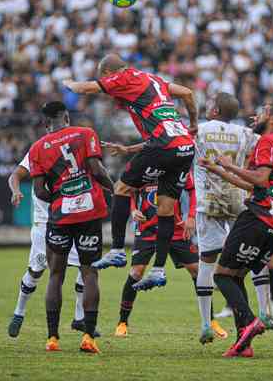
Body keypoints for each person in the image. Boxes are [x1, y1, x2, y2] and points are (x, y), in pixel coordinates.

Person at [63, 54, 198, 291]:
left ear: (108, 73)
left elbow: (84, 89)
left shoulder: (124, 77)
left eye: (103, 77)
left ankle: (116, 250)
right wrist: (194, 122)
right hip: (185, 146)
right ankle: (158, 270)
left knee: (122, 188)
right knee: (166, 209)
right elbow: (187, 93)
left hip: (162, 144)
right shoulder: (153, 79)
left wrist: (68, 83)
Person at [199, 104, 273, 358]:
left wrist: (229, 164)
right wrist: (218, 168)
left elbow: (259, 180)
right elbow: (254, 185)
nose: (256, 116)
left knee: (221, 275)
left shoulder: (267, 141)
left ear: (272, 119)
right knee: (237, 275)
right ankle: (245, 342)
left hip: (257, 217)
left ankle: (251, 321)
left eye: (262, 111)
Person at [29, 101, 114, 353]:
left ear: (45, 123)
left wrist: (59, 199)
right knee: (89, 273)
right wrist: (114, 188)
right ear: (66, 116)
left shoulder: (37, 149)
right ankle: (88, 337)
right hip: (89, 213)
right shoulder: (86, 134)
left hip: (61, 217)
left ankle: (52, 338)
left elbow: (38, 190)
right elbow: (97, 170)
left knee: (56, 274)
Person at [112, 172, 226, 338]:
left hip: (176, 229)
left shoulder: (177, 164)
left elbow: (193, 191)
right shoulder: (145, 164)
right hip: (147, 229)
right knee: (136, 272)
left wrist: (191, 217)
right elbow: (128, 189)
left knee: (197, 270)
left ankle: (211, 321)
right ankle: (122, 322)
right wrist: (133, 209)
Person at [7, 147, 99, 338]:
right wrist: (15, 191)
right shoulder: (38, 151)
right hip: (45, 223)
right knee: (37, 271)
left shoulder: (74, 149)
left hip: (70, 218)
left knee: (87, 266)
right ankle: (19, 312)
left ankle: (79, 319)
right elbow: (16, 175)